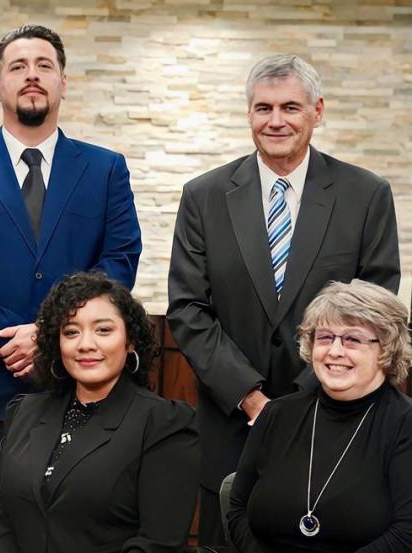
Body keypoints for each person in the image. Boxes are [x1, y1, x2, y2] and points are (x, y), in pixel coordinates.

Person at [166, 54, 400, 546]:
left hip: (337, 418)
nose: (276, 121)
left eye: (290, 107)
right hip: (230, 421)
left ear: (317, 110)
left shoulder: (366, 195)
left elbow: (376, 308)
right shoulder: (203, 196)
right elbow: (188, 308)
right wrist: (252, 398)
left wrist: (297, 398)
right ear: (248, 113)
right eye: (263, 108)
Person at [0, 25, 141, 539]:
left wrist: (49, 336)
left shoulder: (106, 169)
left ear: (65, 82)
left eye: (44, 66)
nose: (32, 76)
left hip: (82, 384)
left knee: (76, 525)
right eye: (17, 67)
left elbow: (120, 259)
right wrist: (8, 342)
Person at [0, 272, 198, 552]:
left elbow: (157, 544)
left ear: (129, 340)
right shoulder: (24, 411)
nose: (85, 344)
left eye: (103, 330)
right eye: (71, 332)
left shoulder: (166, 424)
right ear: (56, 344)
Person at [227, 279, 412, 552]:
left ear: (386, 348)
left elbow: (406, 533)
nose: (335, 351)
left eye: (352, 339)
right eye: (324, 337)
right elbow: (237, 509)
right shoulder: (277, 415)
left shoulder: (405, 423)